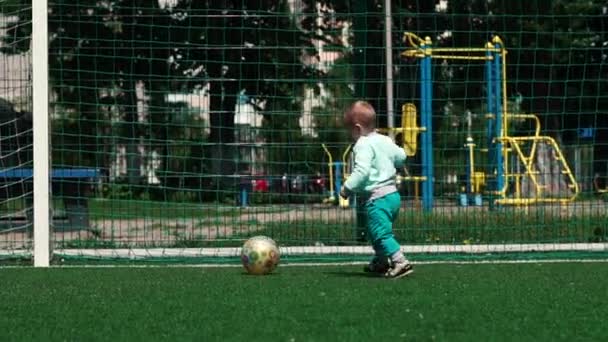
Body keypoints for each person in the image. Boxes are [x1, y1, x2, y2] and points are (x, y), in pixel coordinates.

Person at [340, 101, 413, 279]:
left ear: (357, 129)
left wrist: (347, 188)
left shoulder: (362, 144)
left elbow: (362, 172)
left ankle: (400, 261)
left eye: (350, 131)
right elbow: (401, 156)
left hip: (377, 199)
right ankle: (381, 261)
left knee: (380, 233)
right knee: (375, 231)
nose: (351, 136)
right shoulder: (384, 139)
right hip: (392, 196)